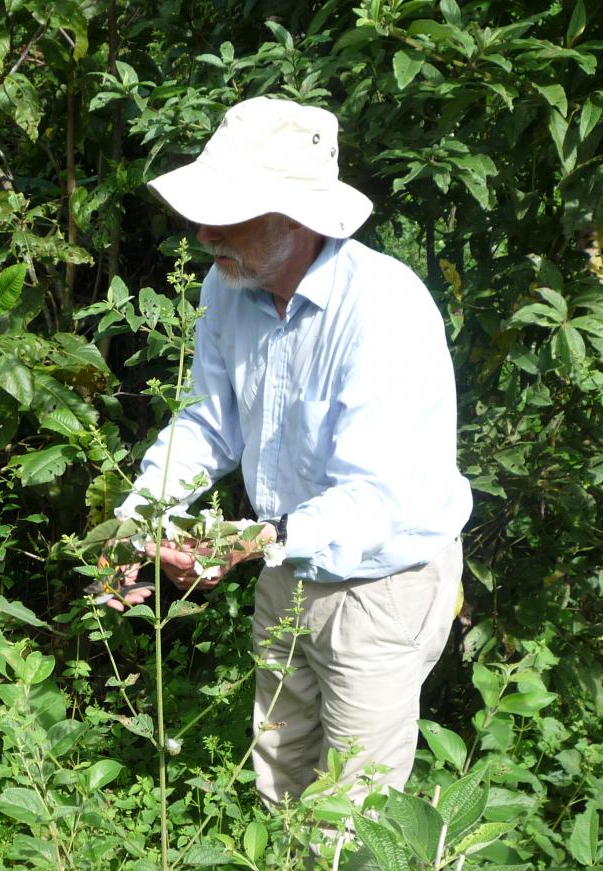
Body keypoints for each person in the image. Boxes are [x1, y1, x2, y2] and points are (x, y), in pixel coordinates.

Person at [105, 96, 472, 810]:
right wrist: (139, 522)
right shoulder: (228, 286)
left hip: (383, 581)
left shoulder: (384, 309)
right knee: (278, 771)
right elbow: (209, 422)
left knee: (353, 808)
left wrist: (244, 541)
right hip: (286, 562)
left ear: (297, 217)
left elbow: (377, 495)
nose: (205, 232)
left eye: (229, 212)